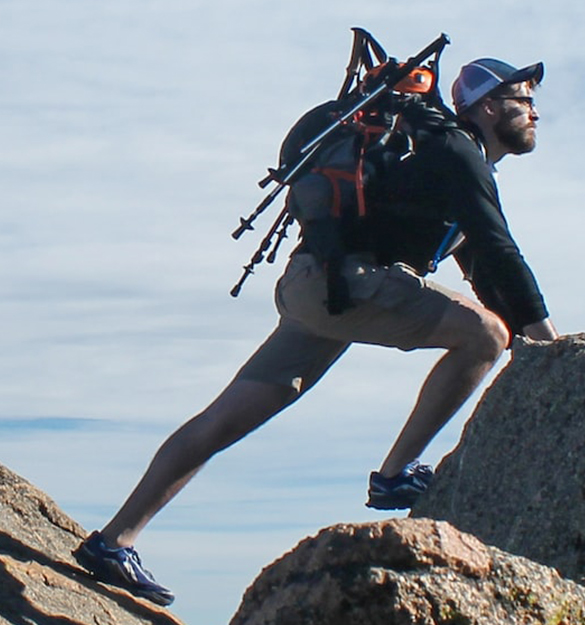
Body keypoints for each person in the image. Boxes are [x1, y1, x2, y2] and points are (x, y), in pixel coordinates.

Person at [72, 56, 558, 607]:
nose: (536, 111)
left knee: (223, 420)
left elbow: (486, 267)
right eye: (525, 100)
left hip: (318, 286)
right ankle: (396, 474)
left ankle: (114, 541)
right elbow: (499, 249)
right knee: (485, 336)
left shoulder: (443, 156)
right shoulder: (455, 151)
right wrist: (553, 347)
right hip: (342, 283)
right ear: (488, 107)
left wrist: (536, 338)